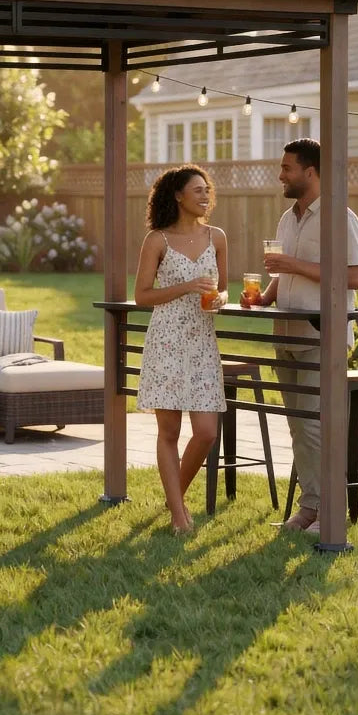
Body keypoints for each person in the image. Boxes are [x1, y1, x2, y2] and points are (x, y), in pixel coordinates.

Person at [241, 138, 358, 533]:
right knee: (298, 425)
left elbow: (354, 276)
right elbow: (283, 272)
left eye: (287, 168)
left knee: (315, 423)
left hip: (321, 336)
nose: (281, 174)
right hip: (287, 334)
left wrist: (292, 263)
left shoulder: (339, 217)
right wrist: (264, 297)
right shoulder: (286, 218)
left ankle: (325, 511)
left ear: (310, 172)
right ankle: (311, 507)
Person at [133, 165, 227, 533]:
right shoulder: (157, 240)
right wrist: (186, 286)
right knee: (169, 432)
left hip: (203, 340)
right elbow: (142, 296)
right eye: (197, 190)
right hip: (166, 340)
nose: (205, 196)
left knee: (205, 432)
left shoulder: (217, 236)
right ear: (177, 196)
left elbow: (222, 289)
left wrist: (218, 299)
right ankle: (177, 516)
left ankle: (175, 499)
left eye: (207, 190)